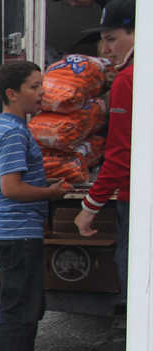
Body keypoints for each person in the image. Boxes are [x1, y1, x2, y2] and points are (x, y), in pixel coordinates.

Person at [0, 61, 67, 351]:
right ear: (12, 93)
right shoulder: (13, 134)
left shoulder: (7, 127)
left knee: (25, 307)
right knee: (19, 311)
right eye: (34, 86)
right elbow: (11, 188)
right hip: (17, 234)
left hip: (12, 232)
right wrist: (51, 193)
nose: (41, 92)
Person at [74, 0, 134, 308]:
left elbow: (121, 155)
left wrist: (90, 206)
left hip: (135, 198)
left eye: (112, 38)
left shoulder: (129, 79)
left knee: (134, 274)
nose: (105, 48)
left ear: (137, 33)